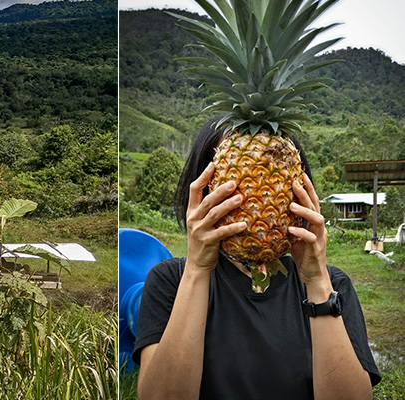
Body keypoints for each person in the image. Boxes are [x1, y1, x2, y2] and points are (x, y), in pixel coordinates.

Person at [133, 120, 381, 399]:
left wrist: (317, 281)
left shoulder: (334, 285)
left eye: (271, 176)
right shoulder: (171, 281)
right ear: (204, 188)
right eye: (236, 179)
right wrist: (197, 269)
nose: (254, 198)